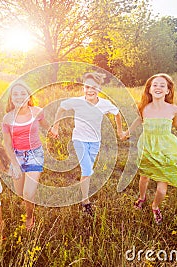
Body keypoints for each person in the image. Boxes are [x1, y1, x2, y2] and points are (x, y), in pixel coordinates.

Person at [50, 72, 124, 217]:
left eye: (94, 87)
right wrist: (56, 126)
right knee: (87, 170)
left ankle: (84, 191)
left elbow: (117, 113)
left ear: (99, 88)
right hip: (79, 139)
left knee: (87, 171)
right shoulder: (77, 101)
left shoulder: (104, 104)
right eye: (87, 87)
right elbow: (61, 108)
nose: (90, 90)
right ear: (83, 87)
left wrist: (120, 131)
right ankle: (85, 202)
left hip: (95, 141)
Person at [122, 73, 177, 224]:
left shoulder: (173, 109)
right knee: (144, 177)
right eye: (155, 85)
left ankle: (155, 206)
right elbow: (138, 121)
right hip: (147, 147)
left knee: (161, 189)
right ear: (149, 90)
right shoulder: (144, 108)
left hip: (165, 150)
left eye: (162, 85)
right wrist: (127, 133)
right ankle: (141, 197)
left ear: (168, 91)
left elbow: (176, 123)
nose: (158, 87)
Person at [2, 81, 49, 230]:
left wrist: (52, 130)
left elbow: (45, 124)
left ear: (29, 97)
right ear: (11, 98)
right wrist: (15, 165)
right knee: (20, 193)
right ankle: (27, 203)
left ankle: (30, 217)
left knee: (28, 193)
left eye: (23, 93)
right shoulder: (7, 119)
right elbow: (7, 145)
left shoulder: (37, 112)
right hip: (17, 156)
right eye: (15, 94)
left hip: (35, 154)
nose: (19, 97)